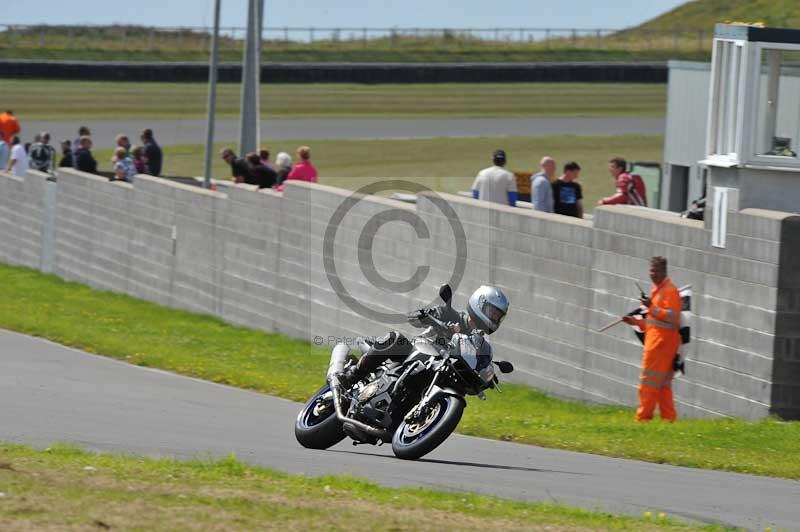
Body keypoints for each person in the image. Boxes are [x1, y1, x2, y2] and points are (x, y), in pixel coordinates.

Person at [337, 286, 510, 388]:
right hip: (414, 354)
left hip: (440, 371)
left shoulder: (480, 345)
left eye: (498, 316)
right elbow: (413, 318)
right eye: (492, 313)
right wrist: (426, 314)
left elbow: (481, 363)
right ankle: (352, 376)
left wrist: (488, 375)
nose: (494, 319)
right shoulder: (450, 314)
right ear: (479, 303)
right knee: (394, 338)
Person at [622, 256, 681, 422]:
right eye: (651, 271)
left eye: (655, 271)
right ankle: (668, 420)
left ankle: (643, 419)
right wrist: (636, 322)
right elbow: (654, 324)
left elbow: (672, 317)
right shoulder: (658, 291)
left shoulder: (670, 291)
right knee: (662, 386)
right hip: (658, 343)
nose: (652, 274)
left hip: (660, 346)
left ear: (664, 271)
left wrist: (651, 307)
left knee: (648, 383)